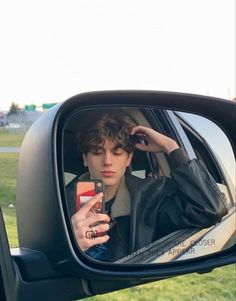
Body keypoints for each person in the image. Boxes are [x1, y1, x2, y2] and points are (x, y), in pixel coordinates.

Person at [67, 109, 228, 262]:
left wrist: (170, 147)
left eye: (117, 153)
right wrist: (69, 243)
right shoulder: (58, 202)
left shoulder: (152, 197)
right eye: (97, 152)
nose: (107, 162)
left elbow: (210, 209)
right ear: (85, 159)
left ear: (129, 158)